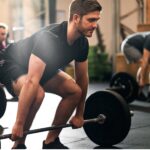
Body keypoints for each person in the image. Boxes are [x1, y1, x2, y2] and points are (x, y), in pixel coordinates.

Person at [0, 0, 102, 149]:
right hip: (11, 61)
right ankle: (19, 144)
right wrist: (18, 124)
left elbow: (82, 79)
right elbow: (32, 82)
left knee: (75, 92)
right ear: (76, 18)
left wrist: (80, 114)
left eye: (96, 20)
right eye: (91, 20)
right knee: (37, 94)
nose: (95, 25)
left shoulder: (82, 43)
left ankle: (51, 141)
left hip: (41, 67)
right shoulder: (49, 38)